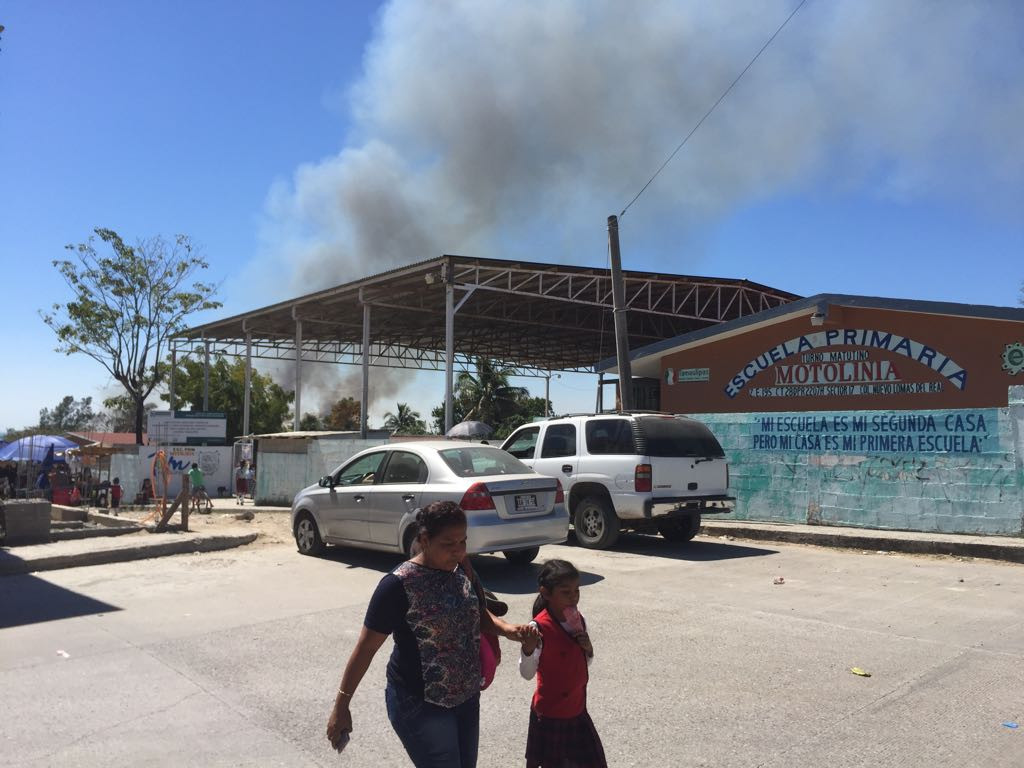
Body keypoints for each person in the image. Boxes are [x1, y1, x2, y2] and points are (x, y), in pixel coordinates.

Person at [326, 501, 538, 767]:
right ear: (425, 540)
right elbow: (366, 648)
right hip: (421, 705)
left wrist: (508, 630)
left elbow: (478, 612)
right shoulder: (398, 585)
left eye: (463, 541)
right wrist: (342, 705)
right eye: (449, 544)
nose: (459, 551)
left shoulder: (462, 569)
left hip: (467, 697)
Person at [519, 559, 606, 768]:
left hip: (577, 710)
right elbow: (527, 673)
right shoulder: (538, 627)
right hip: (551, 714)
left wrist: (588, 648)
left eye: (577, 591)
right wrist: (528, 649)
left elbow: (585, 663)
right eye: (565, 593)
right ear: (546, 594)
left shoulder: (579, 620)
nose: (573, 597)